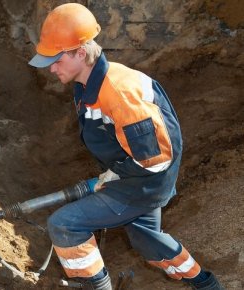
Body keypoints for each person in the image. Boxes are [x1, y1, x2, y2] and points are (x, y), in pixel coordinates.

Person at [28, 3, 224, 290]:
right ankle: (207, 285)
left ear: (80, 53)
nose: (52, 68)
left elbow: (156, 159)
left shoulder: (119, 94)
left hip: (143, 182)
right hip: (137, 176)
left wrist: (115, 176)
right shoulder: (86, 83)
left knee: (65, 224)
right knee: (146, 239)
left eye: (56, 60)